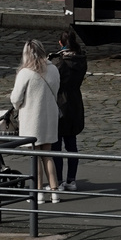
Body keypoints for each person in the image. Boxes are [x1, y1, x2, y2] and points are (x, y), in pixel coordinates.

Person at [10, 39, 61, 201]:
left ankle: (38, 192)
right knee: (48, 155)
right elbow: (57, 90)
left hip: (32, 117)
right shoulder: (53, 69)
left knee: (35, 156)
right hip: (50, 116)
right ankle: (55, 191)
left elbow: (16, 98)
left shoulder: (25, 73)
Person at [51, 27, 87, 192]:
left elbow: (53, 82)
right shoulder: (81, 59)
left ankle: (57, 180)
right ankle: (71, 180)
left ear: (60, 43)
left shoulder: (60, 62)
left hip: (59, 104)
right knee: (72, 145)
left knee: (56, 146)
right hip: (75, 103)